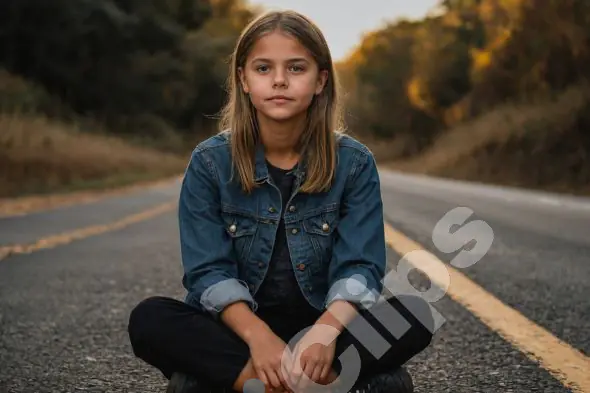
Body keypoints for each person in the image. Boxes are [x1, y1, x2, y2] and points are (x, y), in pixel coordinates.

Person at [127, 9, 434, 393]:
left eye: (295, 68)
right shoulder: (210, 162)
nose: (278, 81)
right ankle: (312, 387)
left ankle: (254, 384)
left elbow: (360, 266)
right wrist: (258, 337)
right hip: (239, 333)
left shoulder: (354, 164)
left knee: (413, 314)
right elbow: (208, 273)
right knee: (150, 318)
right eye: (262, 68)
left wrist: (325, 332)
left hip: (327, 334)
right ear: (243, 79)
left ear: (321, 79)